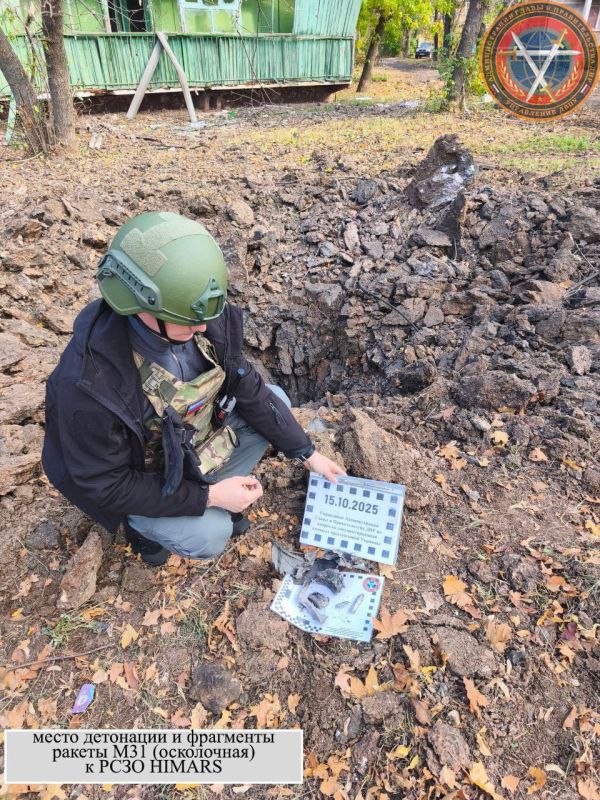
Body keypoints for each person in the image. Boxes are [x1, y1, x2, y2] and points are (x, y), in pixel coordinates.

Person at [42, 211, 345, 566]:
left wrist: (308, 453)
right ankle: (142, 529)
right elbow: (108, 485)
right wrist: (211, 497)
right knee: (210, 533)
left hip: (187, 444)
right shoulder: (88, 386)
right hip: (142, 476)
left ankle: (209, 495)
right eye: (188, 321)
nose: (203, 328)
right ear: (143, 304)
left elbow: (246, 386)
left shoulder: (195, 316)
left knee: (275, 400)